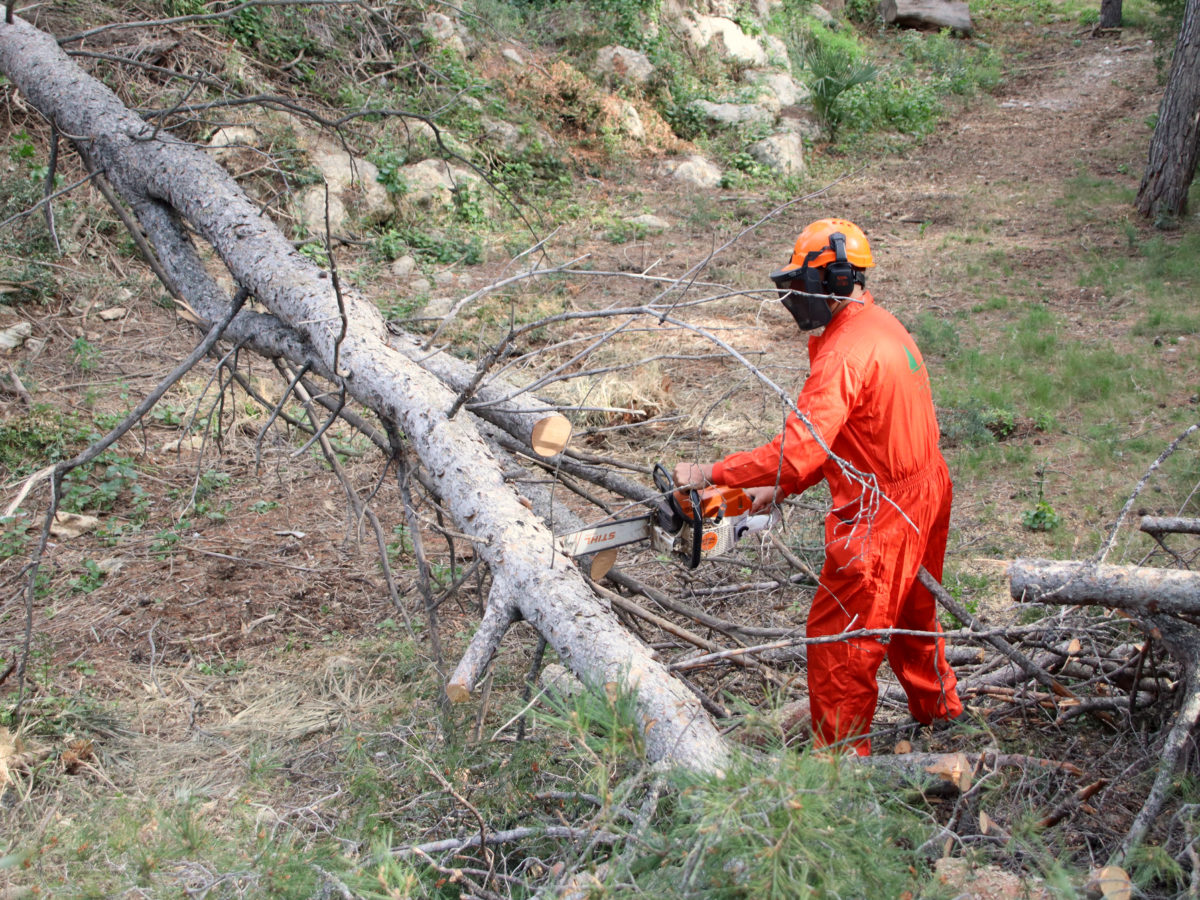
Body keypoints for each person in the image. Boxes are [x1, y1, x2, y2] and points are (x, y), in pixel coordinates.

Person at [674, 217, 963, 756]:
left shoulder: (844, 352)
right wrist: (781, 488)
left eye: (804, 283)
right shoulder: (878, 325)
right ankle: (940, 711)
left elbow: (799, 448)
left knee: (840, 641)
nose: (797, 297)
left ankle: (839, 767)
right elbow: (851, 437)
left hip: (883, 511)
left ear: (835, 280)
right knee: (912, 613)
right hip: (924, 489)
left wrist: (711, 473)